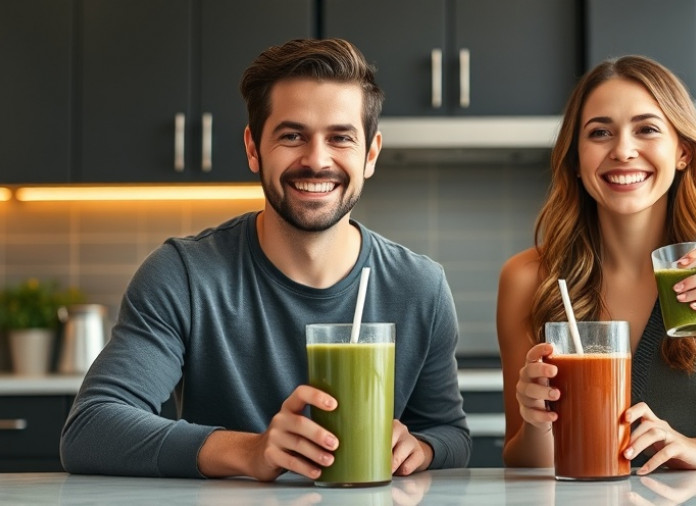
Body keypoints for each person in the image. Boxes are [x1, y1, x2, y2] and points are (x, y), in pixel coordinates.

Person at [60, 38, 470, 481]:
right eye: (292, 136)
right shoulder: (183, 275)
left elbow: (450, 433)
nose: (316, 160)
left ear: (369, 154)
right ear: (254, 148)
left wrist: (422, 447)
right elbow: (91, 427)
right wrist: (249, 451)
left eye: (340, 137)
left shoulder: (421, 286)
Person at [496, 55, 696, 475]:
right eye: (600, 132)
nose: (623, 150)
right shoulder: (528, 278)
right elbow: (522, 458)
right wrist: (537, 424)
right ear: (575, 160)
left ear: (682, 151)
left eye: (647, 129)